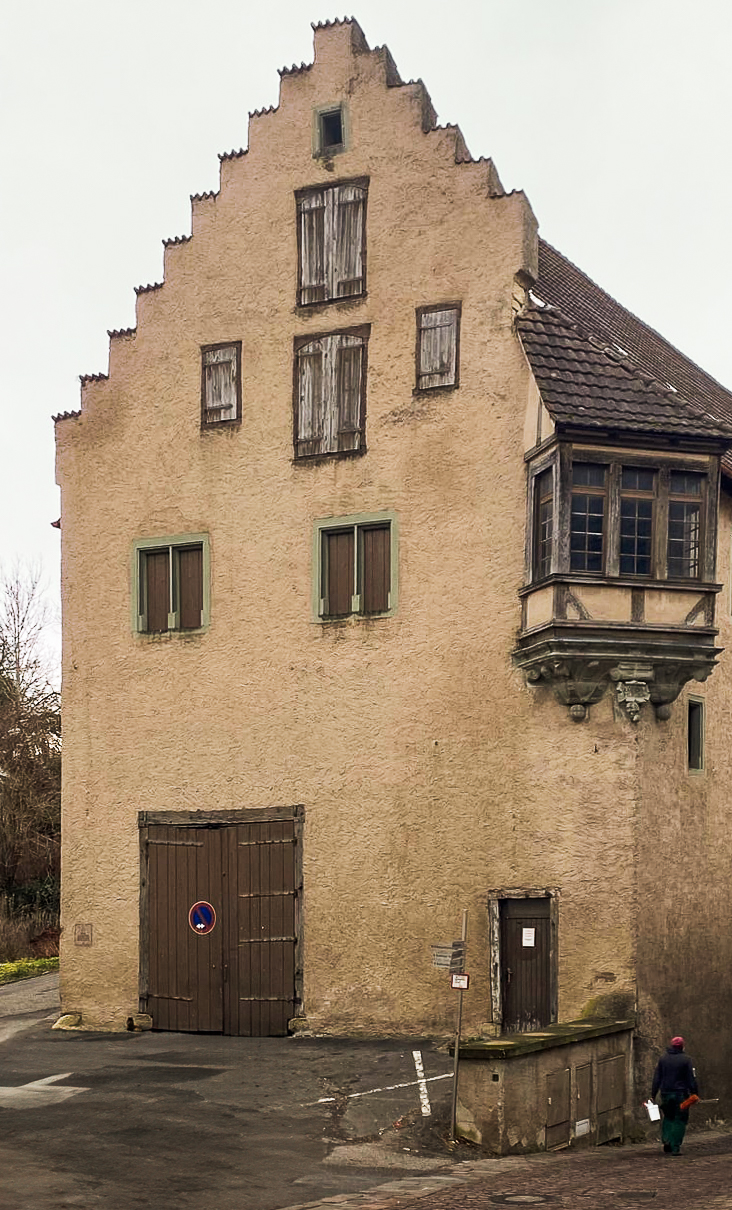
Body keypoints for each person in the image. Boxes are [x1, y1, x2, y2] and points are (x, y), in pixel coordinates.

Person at [651, 1036, 699, 1155]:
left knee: (668, 1117)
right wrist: (694, 1093)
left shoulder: (663, 1059)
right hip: (681, 1095)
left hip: (665, 1094)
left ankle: (666, 1139)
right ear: (682, 1046)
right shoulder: (686, 1059)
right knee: (680, 1119)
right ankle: (675, 1146)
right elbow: (691, 1078)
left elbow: (657, 1078)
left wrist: (653, 1093)